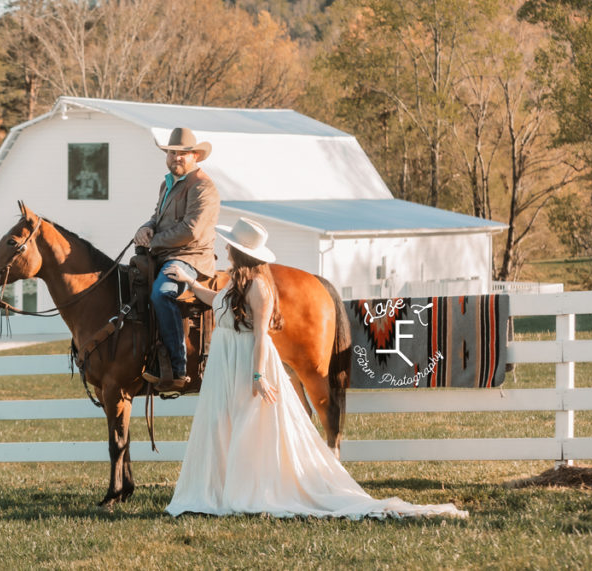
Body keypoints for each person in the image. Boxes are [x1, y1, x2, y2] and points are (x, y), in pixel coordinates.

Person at [163, 218, 468, 519]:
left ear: (238, 252)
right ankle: (220, 489)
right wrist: (191, 284)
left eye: (230, 245)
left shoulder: (259, 287)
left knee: (247, 423)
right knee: (223, 421)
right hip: (227, 360)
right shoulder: (235, 282)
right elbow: (217, 302)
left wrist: (258, 376)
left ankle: (249, 490)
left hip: (245, 359)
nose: (226, 249)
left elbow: (260, 336)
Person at [134, 127, 220, 393]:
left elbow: (191, 230)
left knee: (162, 293)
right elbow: (157, 217)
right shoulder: (167, 184)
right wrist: (145, 228)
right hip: (165, 254)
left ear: (195, 156)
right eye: (172, 152)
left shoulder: (203, 187)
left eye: (183, 153)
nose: (177, 158)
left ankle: (177, 367)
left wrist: (154, 241)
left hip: (190, 258)